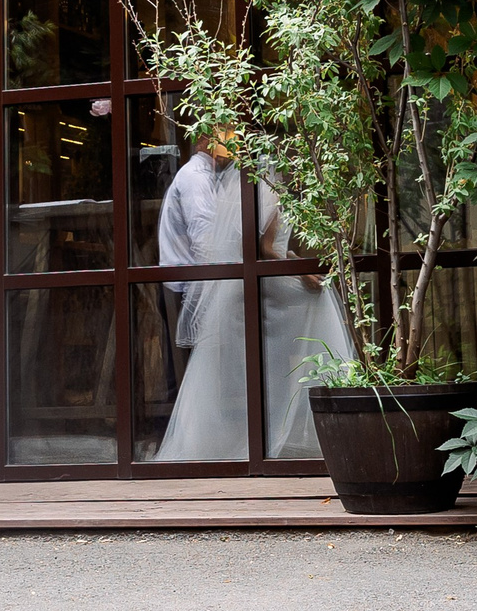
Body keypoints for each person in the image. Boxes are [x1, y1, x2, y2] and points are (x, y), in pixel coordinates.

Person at [152, 130, 355, 461]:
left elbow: (276, 248)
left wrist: (298, 265)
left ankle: (305, 408)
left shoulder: (253, 189)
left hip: (260, 280)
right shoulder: (267, 191)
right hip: (257, 285)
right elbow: (263, 249)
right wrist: (302, 273)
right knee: (319, 301)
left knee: (318, 295)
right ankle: (329, 407)